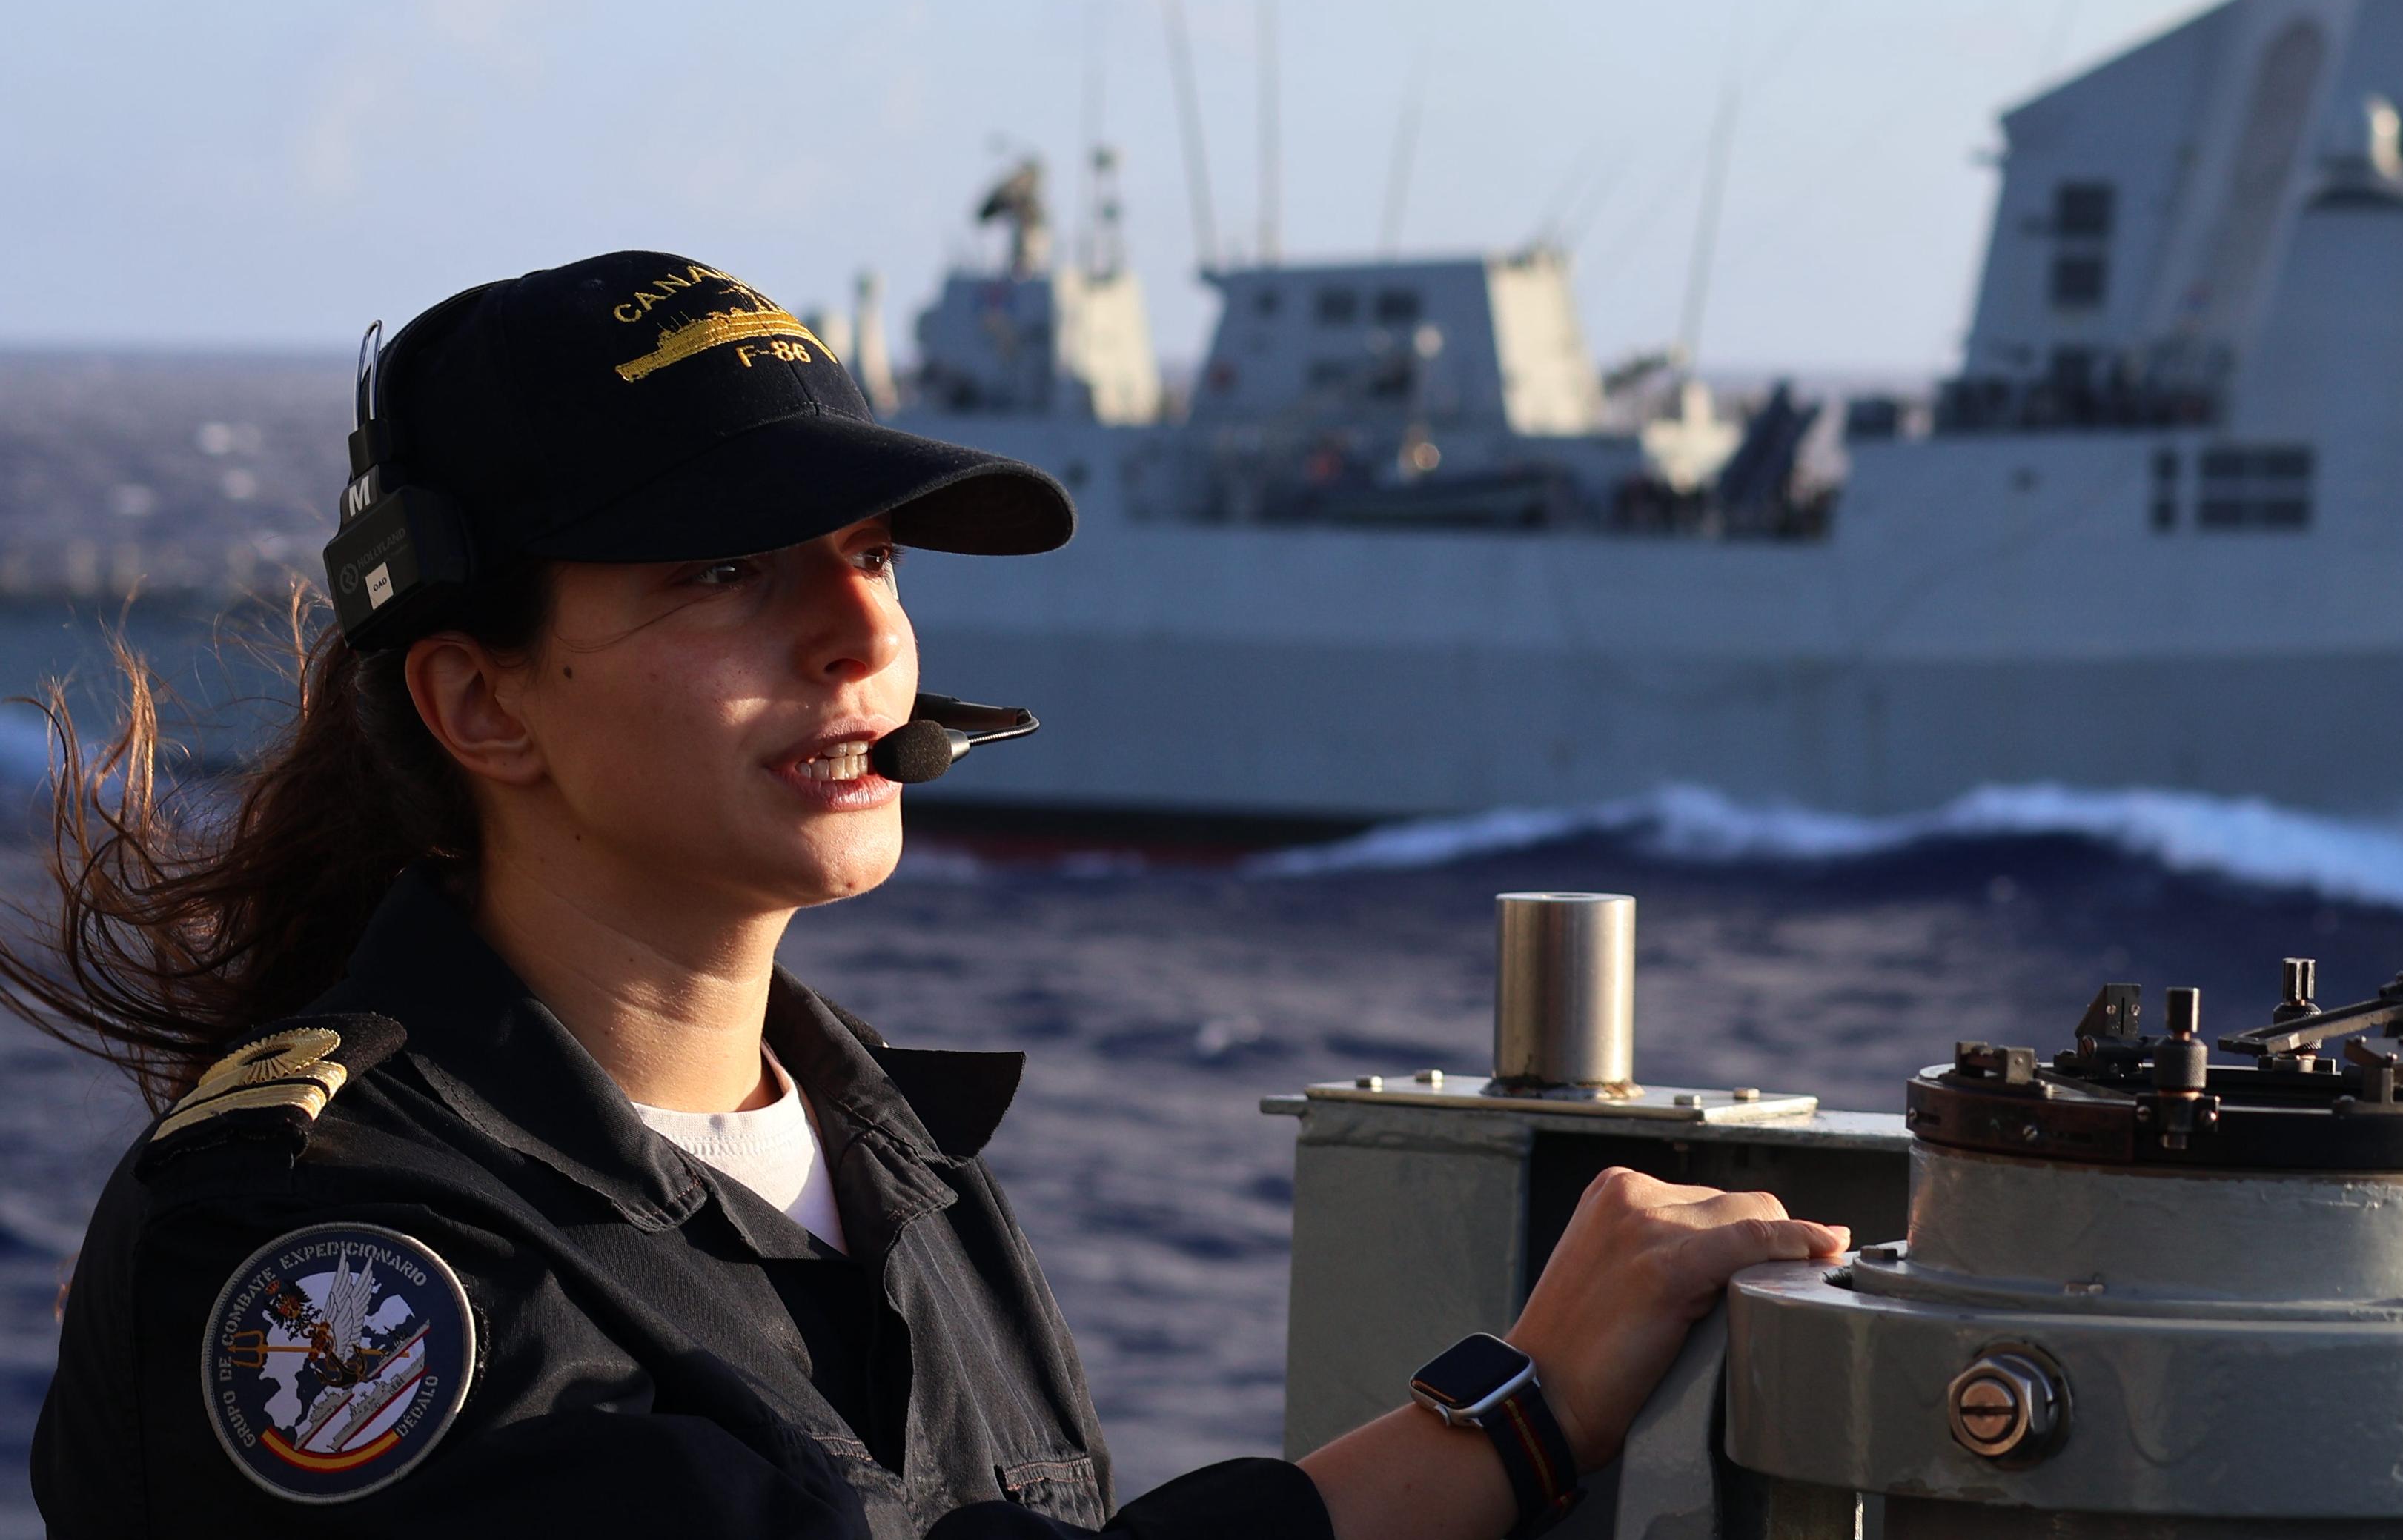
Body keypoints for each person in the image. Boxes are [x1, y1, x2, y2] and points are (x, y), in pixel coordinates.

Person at [9, 253, 1848, 1536]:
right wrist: (1503, 1422)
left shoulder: (895, 1164)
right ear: (483, 700)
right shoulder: (322, 1252)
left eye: (871, 553)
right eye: (728, 567)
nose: (860, 632)